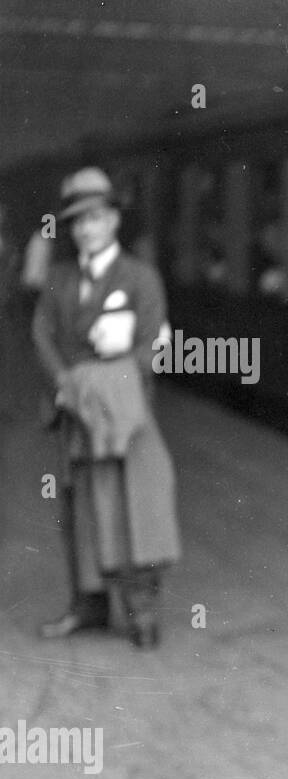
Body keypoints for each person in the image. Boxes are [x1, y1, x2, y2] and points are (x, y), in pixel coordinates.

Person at [32, 167, 180, 648]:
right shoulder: (59, 278)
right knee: (79, 510)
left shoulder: (141, 279)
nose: (85, 229)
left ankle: (142, 614)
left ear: (115, 219)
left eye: (95, 218)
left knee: (135, 508)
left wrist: (90, 379)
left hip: (126, 418)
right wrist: (66, 383)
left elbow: (151, 352)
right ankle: (89, 607)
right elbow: (42, 335)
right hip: (79, 418)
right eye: (76, 222)